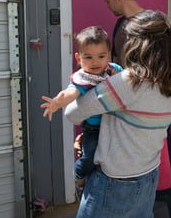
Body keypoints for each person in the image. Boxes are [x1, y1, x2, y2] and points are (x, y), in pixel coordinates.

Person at [63, 10, 171, 218]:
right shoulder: (168, 80)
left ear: (137, 43)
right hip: (148, 175)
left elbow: (73, 113)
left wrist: (83, 83)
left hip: (114, 180)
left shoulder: (128, 81)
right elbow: (131, 124)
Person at [100, 0, 171, 218]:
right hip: (127, 110)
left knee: (168, 164)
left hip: (156, 107)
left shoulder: (155, 21)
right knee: (137, 163)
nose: (108, 8)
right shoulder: (118, 25)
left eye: (107, 2)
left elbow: (169, 62)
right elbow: (117, 66)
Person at [40, 26, 122, 188]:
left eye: (101, 56)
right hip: (94, 128)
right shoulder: (83, 79)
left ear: (109, 55)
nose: (95, 62)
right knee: (89, 157)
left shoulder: (114, 70)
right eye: (88, 57)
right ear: (78, 58)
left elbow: (126, 84)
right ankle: (79, 174)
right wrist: (58, 102)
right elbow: (71, 92)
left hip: (114, 125)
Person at [99, 0, 144, 66]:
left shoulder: (152, 24)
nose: (108, 6)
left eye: (108, 2)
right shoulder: (120, 24)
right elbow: (115, 60)